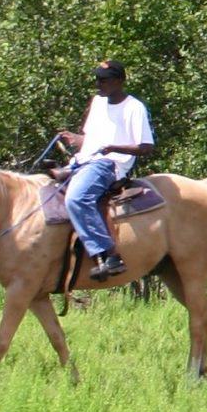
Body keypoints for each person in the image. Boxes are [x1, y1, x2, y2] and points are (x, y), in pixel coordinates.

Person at [58, 59, 154, 280]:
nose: (98, 84)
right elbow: (91, 139)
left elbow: (146, 147)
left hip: (110, 165)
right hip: (83, 160)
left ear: (120, 81)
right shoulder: (98, 103)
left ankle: (109, 254)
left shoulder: (133, 107)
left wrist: (113, 148)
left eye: (104, 80)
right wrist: (76, 139)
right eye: (96, 79)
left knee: (76, 198)